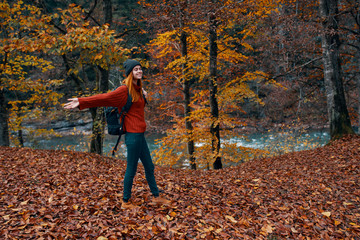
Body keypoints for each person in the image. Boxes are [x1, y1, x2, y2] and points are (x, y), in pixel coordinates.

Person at [64, 59, 170, 209]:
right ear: (129, 73)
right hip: (133, 137)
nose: (139, 71)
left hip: (140, 135)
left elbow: (137, 110)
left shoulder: (138, 89)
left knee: (149, 166)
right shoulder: (123, 90)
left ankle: (156, 197)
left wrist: (144, 95)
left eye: (140, 69)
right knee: (131, 168)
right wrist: (82, 102)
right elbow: (104, 98)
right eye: (135, 69)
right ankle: (125, 201)